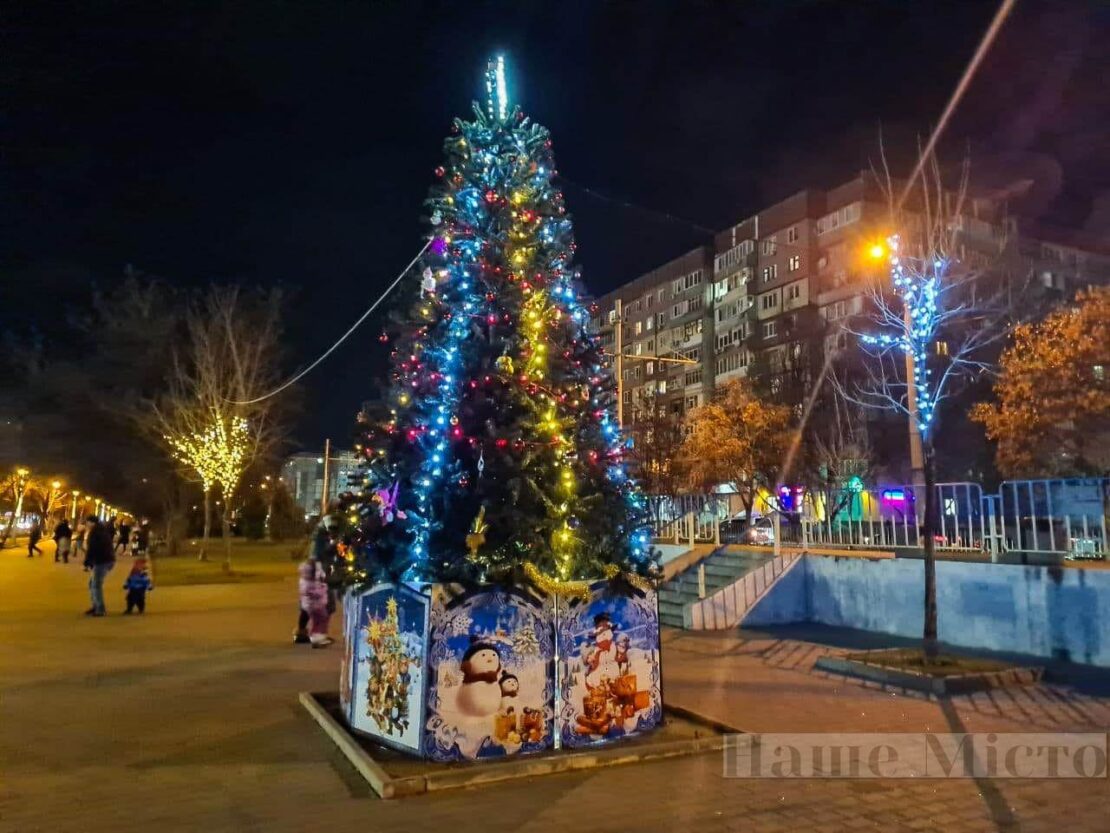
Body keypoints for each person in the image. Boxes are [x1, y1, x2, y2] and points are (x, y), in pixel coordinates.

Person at [293, 513, 341, 644]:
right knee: (324, 604)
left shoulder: (319, 534)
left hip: (313, 570)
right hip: (319, 571)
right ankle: (318, 634)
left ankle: (302, 632)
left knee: (308, 603)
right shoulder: (322, 537)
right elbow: (323, 554)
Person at [83, 515, 115, 616]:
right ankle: (96, 605)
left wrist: (87, 562)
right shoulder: (101, 530)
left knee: (96, 585)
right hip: (105, 560)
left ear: (92, 523)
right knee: (92, 583)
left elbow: (92, 549)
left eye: (87, 522)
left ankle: (100, 609)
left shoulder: (96, 533)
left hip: (102, 561)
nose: (86, 525)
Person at [298, 554, 332, 648]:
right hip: (316, 605)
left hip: (309, 605)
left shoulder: (304, 580)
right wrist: (324, 588)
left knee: (316, 621)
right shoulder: (312, 583)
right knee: (321, 620)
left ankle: (316, 637)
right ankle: (318, 638)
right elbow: (317, 592)